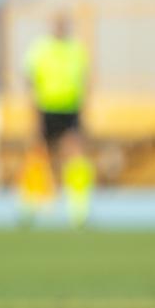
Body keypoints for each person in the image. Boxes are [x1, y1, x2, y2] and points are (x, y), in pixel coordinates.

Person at [25, 13, 93, 226]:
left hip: (70, 110)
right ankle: (32, 205)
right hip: (46, 109)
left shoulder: (77, 50)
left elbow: (84, 82)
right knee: (40, 156)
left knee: (75, 156)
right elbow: (31, 81)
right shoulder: (40, 49)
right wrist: (32, 114)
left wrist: (84, 112)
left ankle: (78, 209)